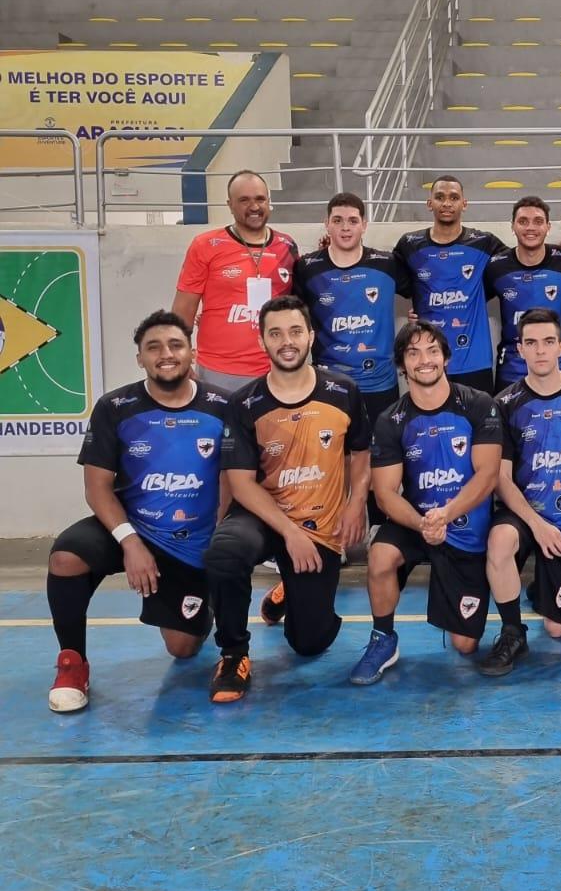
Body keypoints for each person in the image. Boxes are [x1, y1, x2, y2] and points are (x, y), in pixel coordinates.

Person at [46, 310, 231, 713]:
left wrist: (216, 547)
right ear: (140, 358)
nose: (166, 354)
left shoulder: (223, 407)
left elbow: (232, 480)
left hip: (190, 542)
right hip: (131, 527)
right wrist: (129, 542)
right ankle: (72, 663)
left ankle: (205, 606)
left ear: (191, 353)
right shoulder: (115, 407)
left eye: (175, 345)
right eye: (154, 347)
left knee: (182, 649)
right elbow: (97, 487)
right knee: (65, 558)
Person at [204, 297, 370, 703]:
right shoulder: (244, 403)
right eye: (275, 333)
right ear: (262, 341)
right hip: (264, 515)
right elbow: (241, 483)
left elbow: (361, 458)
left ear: (310, 336)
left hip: (320, 522)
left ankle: (288, 590)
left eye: (295, 331)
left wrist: (354, 505)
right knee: (225, 552)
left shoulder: (343, 392)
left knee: (310, 644)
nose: (287, 342)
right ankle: (233, 653)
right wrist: (289, 532)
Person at [351, 321, 503, 684]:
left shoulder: (479, 404)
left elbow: (488, 475)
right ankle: (383, 638)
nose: (425, 360)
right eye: (413, 352)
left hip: (465, 522)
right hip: (418, 521)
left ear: (446, 358)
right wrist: (423, 524)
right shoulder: (391, 420)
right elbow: (385, 493)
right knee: (381, 554)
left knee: (465, 645)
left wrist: (447, 514)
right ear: (402, 365)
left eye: (432, 350)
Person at [484, 310, 561, 675]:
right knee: (500, 540)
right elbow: (501, 478)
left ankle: (543, 589)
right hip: (524, 513)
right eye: (532, 343)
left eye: (549, 342)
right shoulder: (505, 404)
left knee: (557, 628)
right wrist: (536, 525)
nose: (540, 351)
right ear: (519, 349)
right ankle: (512, 632)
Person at [172, 169, 298, 394]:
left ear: (269, 201)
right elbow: (183, 310)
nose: (254, 207)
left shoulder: (287, 246)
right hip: (217, 372)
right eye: (244, 200)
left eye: (260, 199)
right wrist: (179, 361)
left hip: (274, 370)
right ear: (230, 205)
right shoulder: (205, 245)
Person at [293, 192, 402, 433]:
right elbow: (293, 318)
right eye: (337, 220)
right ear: (327, 224)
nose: (345, 228)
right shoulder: (306, 268)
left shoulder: (387, 264)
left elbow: (422, 290)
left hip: (380, 384)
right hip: (328, 384)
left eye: (353, 221)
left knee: (381, 458)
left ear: (364, 225)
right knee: (333, 459)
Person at [392, 175, 507, 392]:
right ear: (429, 203)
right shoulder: (409, 245)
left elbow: (522, 263)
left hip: (474, 361)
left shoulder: (484, 243)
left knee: (479, 424)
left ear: (464, 203)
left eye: (454, 197)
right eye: (440, 197)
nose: (446, 203)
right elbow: (385, 277)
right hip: (428, 361)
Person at [485, 195, 561, 387]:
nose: (531, 227)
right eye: (523, 221)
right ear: (513, 226)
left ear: (548, 227)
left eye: (538, 221)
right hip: (512, 372)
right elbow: (470, 300)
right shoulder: (496, 267)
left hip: (559, 370)